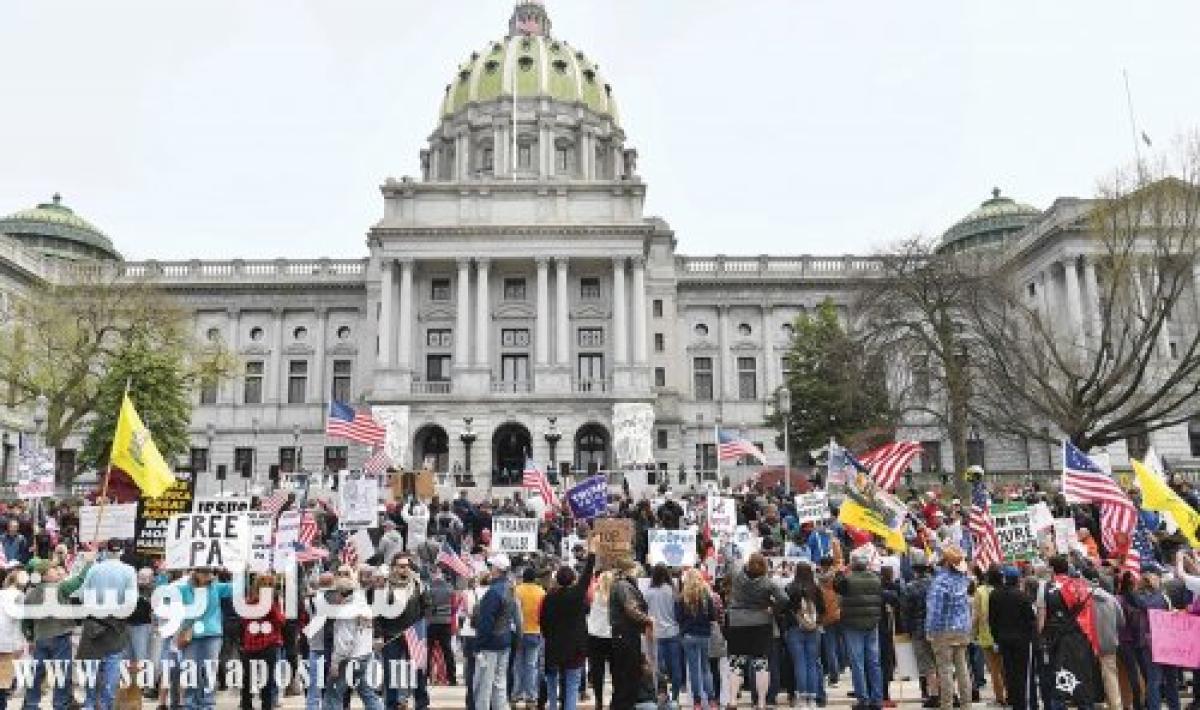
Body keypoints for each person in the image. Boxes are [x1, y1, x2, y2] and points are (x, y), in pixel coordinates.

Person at [22, 554, 93, 710]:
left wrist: (30, 637)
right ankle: (60, 705)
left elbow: (26, 620)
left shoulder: (31, 593)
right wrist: (89, 563)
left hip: (40, 638)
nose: (56, 571)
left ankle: (31, 705)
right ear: (45, 574)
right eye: (53, 569)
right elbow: (80, 580)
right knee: (62, 673)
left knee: (37, 674)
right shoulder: (60, 587)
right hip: (60, 636)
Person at [77, 542, 137, 710]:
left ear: (106, 551)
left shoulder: (94, 569)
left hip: (93, 624)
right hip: (115, 625)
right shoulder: (129, 570)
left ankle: (89, 704)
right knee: (111, 669)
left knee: (91, 669)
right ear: (121, 552)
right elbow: (131, 603)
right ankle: (105, 706)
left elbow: (82, 596)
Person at [726, 551, 788, 710]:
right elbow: (784, 599)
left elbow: (729, 565)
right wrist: (772, 609)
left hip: (737, 622)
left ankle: (733, 701)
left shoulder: (737, 577)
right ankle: (761, 703)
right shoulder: (768, 583)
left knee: (736, 663)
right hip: (761, 623)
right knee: (761, 664)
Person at [540, 551, 597, 710]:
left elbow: (543, 622)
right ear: (573, 579)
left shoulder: (548, 598)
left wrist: (548, 637)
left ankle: (552, 706)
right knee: (572, 686)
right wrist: (592, 554)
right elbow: (586, 576)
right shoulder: (577, 595)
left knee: (552, 683)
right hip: (575, 649)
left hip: (553, 647)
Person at [323, 575, 384, 710]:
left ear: (341, 593)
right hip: (364, 656)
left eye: (335, 593)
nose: (333, 596)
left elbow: (345, 642)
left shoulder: (345, 612)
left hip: (348, 658)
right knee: (367, 693)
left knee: (333, 695)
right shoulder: (364, 607)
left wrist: (335, 663)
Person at [925, 546, 973, 710]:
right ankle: (967, 704)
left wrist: (930, 631)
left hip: (943, 630)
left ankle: (947, 705)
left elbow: (935, 610)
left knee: (945, 670)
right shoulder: (963, 579)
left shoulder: (940, 581)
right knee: (962, 668)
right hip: (962, 629)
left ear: (945, 562)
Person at [836, 548, 883, 710]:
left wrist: (841, 571)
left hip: (853, 625)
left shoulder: (848, 580)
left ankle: (863, 699)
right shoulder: (876, 579)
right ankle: (877, 699)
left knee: (857, 663)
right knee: (874, 662)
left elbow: (837, 587)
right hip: (872, 624)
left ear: (853, 565)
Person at [474, 554, 519, 710]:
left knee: (483, 687)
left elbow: (486, 622)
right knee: (499, 685)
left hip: (490, 644)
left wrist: (478, 645)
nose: (490, 569)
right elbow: (516, 617)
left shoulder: (493, 592)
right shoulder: (511, 588)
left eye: (492, 567)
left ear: (497, 570)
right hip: (505, 640)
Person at [989, 567, 1035, 710]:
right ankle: (1021, 703)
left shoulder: (995, 595)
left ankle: (1013, 700)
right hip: (1021, 640)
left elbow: (992, 620)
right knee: (1021, 672)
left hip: (1003, 639)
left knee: (1008, 671)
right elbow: (1030, 619)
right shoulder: (1022, 596)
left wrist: (996, 637)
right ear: (1017, 579)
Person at [609, 557, 652, 710]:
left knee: (625, 673)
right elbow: (631, 609)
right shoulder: (623, 586)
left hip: (624, 634)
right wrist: (648, 620)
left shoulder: (621, 585)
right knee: (627, 672)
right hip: (626, 634)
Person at [240, 574, 285, 710]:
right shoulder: (266, 603)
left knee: (250, 679)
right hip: (265, 644)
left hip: (254, 645)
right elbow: (280, 621)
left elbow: (244, 622)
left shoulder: (250, 602)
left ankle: (250, 705)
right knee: (261, 681)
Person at [784, 562, 826, 710]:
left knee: (799, 664)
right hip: (813, 630)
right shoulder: (816, 589)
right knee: (812, 664)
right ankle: (812, 699)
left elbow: (784, 608)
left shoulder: (790, 588)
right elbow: (822, 609)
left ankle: (801, 699)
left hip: (795, 628)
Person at [675, 568, 717, 710]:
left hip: (688, 636)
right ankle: (711, 701)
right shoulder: (707, 595)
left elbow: (678, 618)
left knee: (693, 670)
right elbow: (713, 616)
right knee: (706, 668)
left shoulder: (682, 597)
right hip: (704, 635)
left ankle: (697, 702)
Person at [645, 563, 685, 704]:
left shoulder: (648, 593)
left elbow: (645, 614)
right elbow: (679, 613)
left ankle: (660, 695)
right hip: (673, 632)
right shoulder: (673, 591)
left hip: (656, 634)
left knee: (657, 668)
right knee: (675, 667)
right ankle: (675, 696)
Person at [513, 565, 546, 708]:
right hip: (535, 631)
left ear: (523, 578)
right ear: (535, 578)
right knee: (531, 666)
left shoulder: (516, 590)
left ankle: (516, 695)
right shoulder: (541, 592)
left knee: (518, 665)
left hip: (518, 632)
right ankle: (531, 697)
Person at [972, 567, 1005, 708]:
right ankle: (1010, 695)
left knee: (994, 670)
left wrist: (973, 632)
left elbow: (976, 615)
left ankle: (1000, 698)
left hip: (986, 634)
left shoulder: (979, 592)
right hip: (1003, 634)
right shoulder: (1003, 590)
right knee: (1005, 668)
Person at [586, 571, 615, 710]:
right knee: (615, 670)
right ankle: (615, 698)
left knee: (597, 671)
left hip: (595, 636)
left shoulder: (594, 596)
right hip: (611, 637)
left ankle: (598, 700)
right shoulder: (615, 597)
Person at [0, 569, 27, 708]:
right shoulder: (19, 596)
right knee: (3, 682)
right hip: (6, 643)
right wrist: (19, 645)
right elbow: (18, 622)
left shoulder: (1, 593)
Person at [426, 566, 457, 686]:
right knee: (447, 651)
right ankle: (452, 678)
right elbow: (454, 607)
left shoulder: (428, 588)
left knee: (428, 652)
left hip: (432, 623)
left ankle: (426, 677)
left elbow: (426, 606)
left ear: (432, 574)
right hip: (446, 623)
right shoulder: (450, 589)